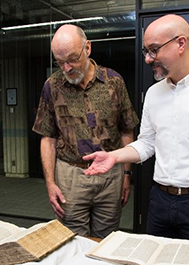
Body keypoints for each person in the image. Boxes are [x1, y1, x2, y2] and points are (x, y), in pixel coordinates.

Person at [83, 14, 189, 242]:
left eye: (154, 50)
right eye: (146, 52)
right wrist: (113, 157)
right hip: (160, 200)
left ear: (181, 43)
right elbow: (147, 143)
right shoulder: (154, 93)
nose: (149, 59)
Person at [32, 24, 139, 238]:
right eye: (60, 62)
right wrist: (50, 183)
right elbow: (48, 137)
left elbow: (127, 131)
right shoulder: (52, 86)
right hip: (70, 176)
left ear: (87, 48)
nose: (67, 67)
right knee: (71, 241)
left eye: (72, 59)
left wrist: (127, 175)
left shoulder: (114, 82)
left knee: (106, 240)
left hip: (110, 176)